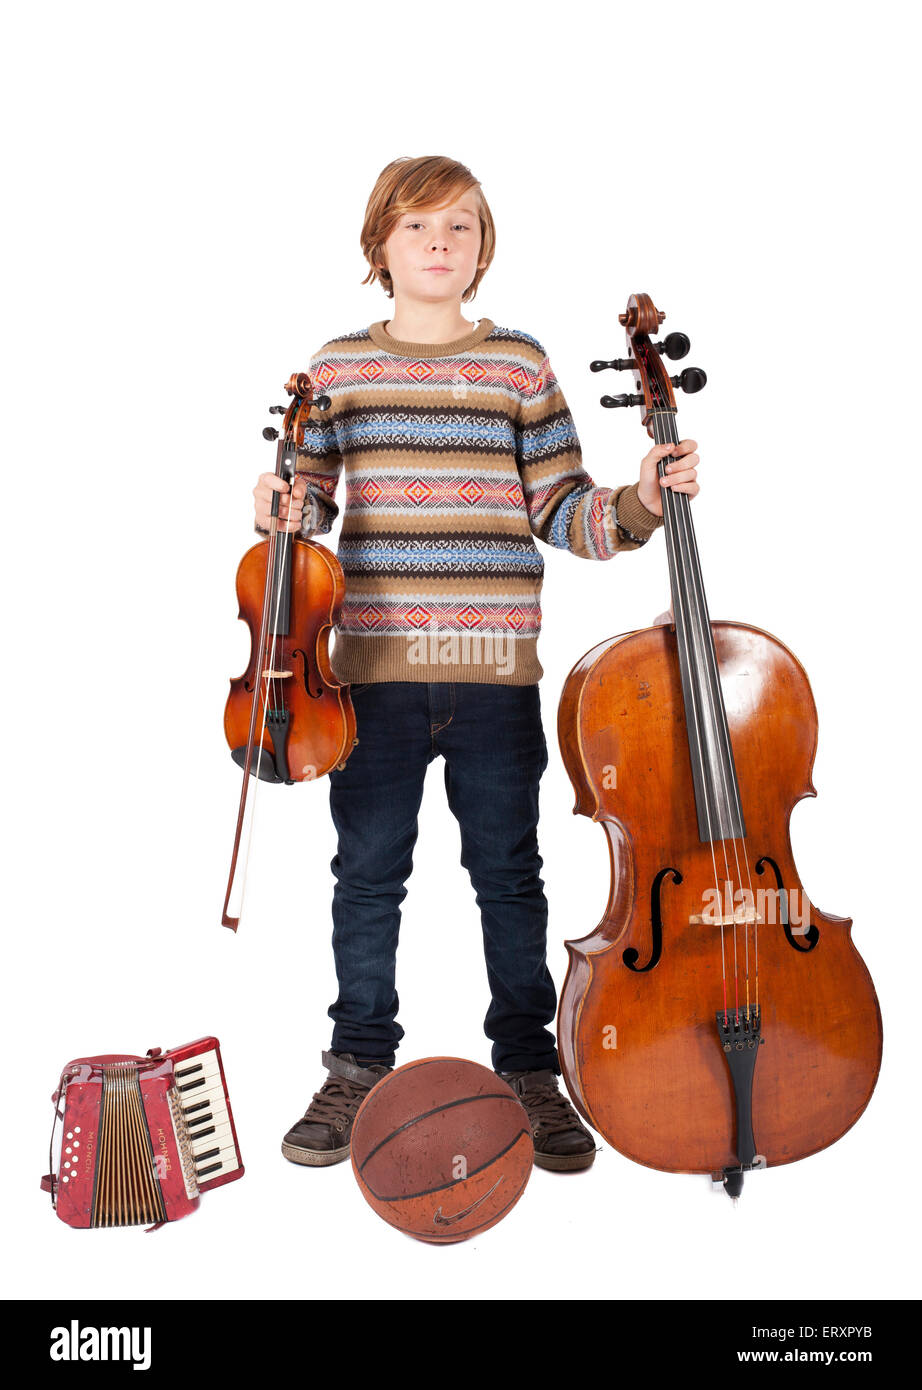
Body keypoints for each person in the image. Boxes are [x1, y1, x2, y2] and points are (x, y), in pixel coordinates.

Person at [252, 155, 700, 1172]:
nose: (439, 245)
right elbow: (310, 507)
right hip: (369, 676)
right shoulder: (335, 368)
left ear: (482, 248)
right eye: (417, 229)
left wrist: (635, 496)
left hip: (496, 675)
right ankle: (357, 1062)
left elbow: (563, 512)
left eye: (458, 227)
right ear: (381, 248)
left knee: (510, 877)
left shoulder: (518, 365)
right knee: (366, 878)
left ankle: (530, 1067)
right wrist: (277, 504)